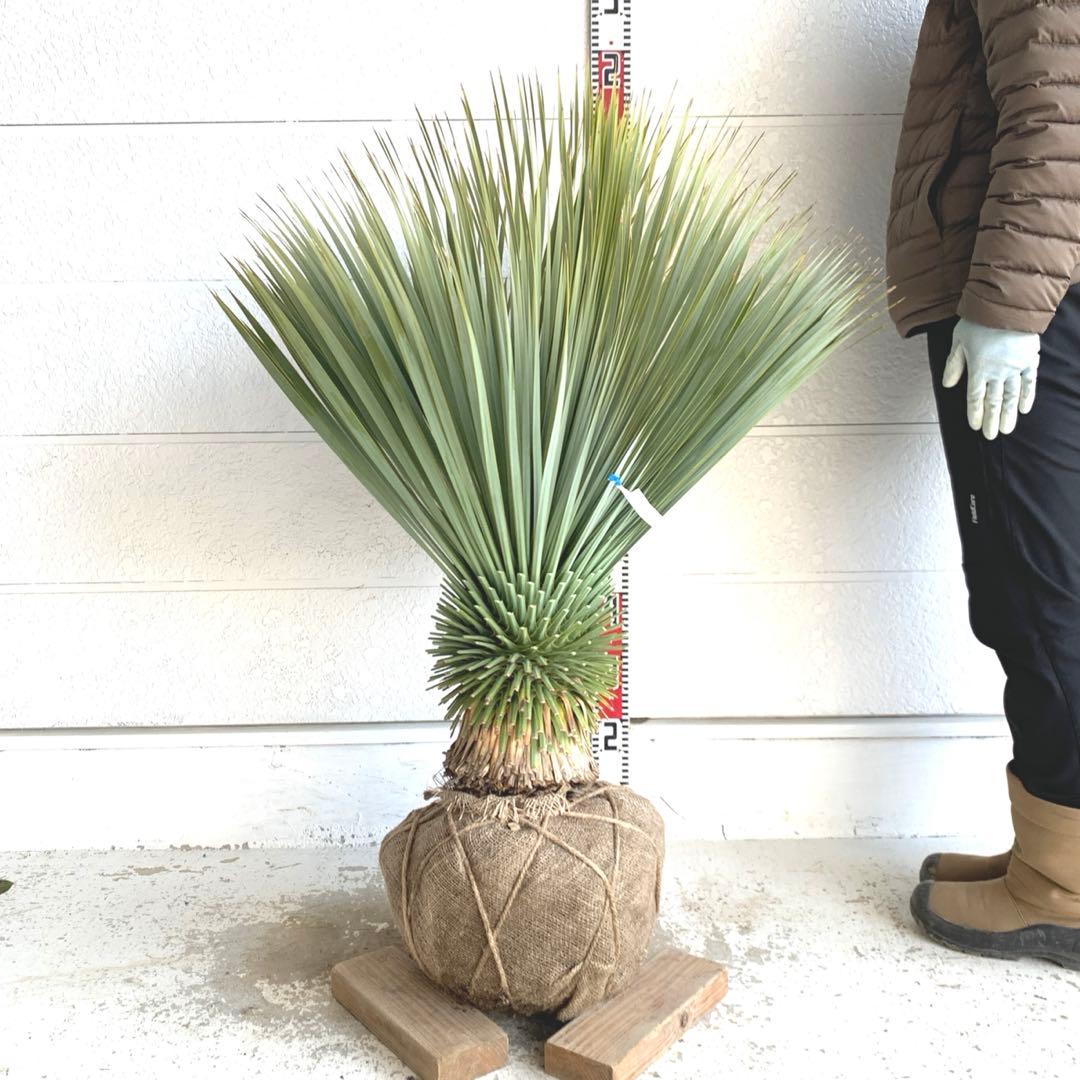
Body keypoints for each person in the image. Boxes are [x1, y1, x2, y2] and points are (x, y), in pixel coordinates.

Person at [886, 0, 1080, 967]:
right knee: (1044, 585)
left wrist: (1006, 305)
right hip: (1046, 280)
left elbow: (1059, 94)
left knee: (1035, 594)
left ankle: (1062, 889)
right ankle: (1050, 848)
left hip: (1031, 296)